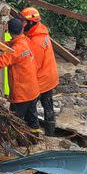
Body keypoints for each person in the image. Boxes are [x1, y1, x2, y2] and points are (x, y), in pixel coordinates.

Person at [0, 18, 41, 129]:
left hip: (21, 93)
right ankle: (34, 140)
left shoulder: (16, 50)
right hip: (33, 90)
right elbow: (9, 44)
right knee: (32, 118)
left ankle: (14, 142)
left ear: (9, 32)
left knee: (14, 122)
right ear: (22, 29)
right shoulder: (25, 41)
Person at [21, 7, 59, 136]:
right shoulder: (39, 31)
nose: (21, 23)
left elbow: (33, 65)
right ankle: (51, 134)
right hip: (49, 74)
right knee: (48, 106)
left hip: (42, 78)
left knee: (30, 107)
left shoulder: (37, 41)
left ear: (31, 23)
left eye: (23, 21)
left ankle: (34, 134)